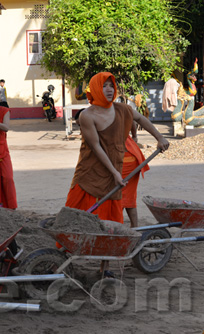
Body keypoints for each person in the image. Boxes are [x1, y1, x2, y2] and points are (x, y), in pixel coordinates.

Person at [66, 72, 169, 277]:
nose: (109, 89)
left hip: (114, 173)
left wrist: (159, 137)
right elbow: (96, 147)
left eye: (111, 85)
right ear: (95, 88)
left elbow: (141, 119)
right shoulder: (87, 116)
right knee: (74, 218)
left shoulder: (123, 109)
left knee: (111, 222)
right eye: (104, 85)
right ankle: (59, 258)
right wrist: (114, 172)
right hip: (90, 175)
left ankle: (104, 269)